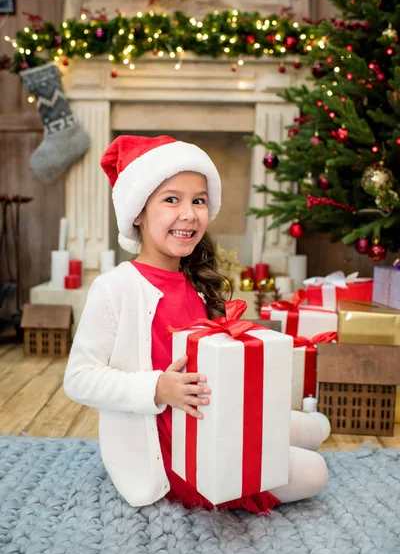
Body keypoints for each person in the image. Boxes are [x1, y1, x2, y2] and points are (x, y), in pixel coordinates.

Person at [64, 134, 328, 515]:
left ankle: (307, 429)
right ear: (138, 212)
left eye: (198, 200)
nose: (189, 213)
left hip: (214, 415)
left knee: (310, 430)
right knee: (315, 471)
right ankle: (296, 438)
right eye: (172, 199)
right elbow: (79, 378)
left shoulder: (197, 284)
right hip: (173, 449)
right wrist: (157, 386)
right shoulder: (115, 287)